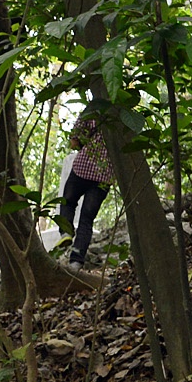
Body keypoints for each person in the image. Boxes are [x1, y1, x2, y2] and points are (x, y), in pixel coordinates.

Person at [58, 108, 115, 268]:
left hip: (83, 168)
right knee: (87, 220)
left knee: (68, 201)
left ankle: (66, 232)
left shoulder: (93, 110)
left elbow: (74, 140)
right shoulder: (124, 117)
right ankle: (76, 261)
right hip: (104, 177)